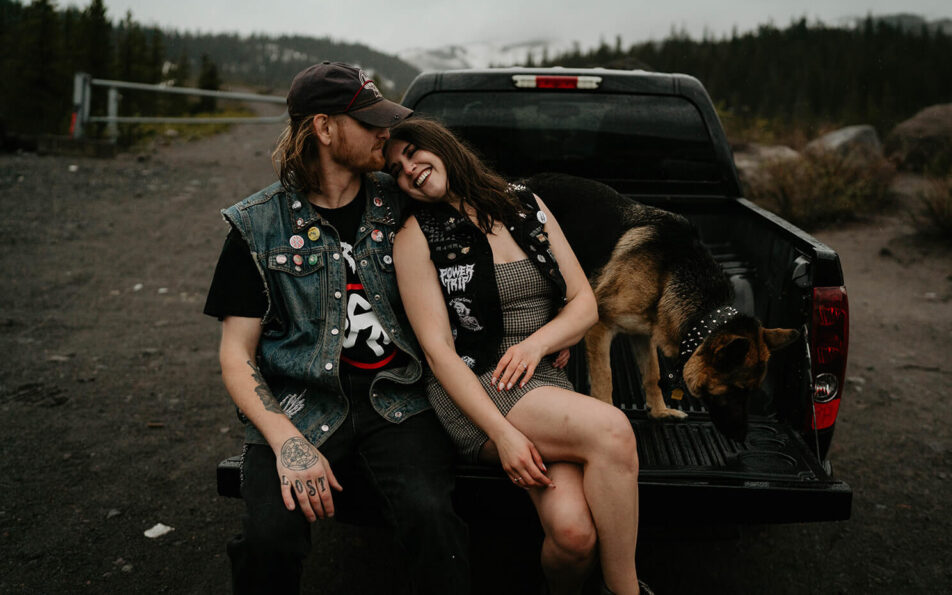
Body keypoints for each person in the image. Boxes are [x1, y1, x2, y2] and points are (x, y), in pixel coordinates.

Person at [204, 63, 470, 594]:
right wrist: (286, 443)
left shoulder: (401, 204)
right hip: (301, 404)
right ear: (324, 130)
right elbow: (236, 356)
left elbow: (481, 249)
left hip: (397, 398)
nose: (385, 134)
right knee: (268, 543)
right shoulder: (257, 226)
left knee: (432, 519)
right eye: (369, 122)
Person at [384, 117, 653, 595]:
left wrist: (538, 343)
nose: (409, 170)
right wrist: (502, 435)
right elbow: (438, 352)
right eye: (397, 169)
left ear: (441, 146)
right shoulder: (415, 235)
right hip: (476, 385)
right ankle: (625, 590)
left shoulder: (524, 205)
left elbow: (583, 304)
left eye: (412, 153)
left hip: (539, 375)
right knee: (612, 430)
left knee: (573, 535)